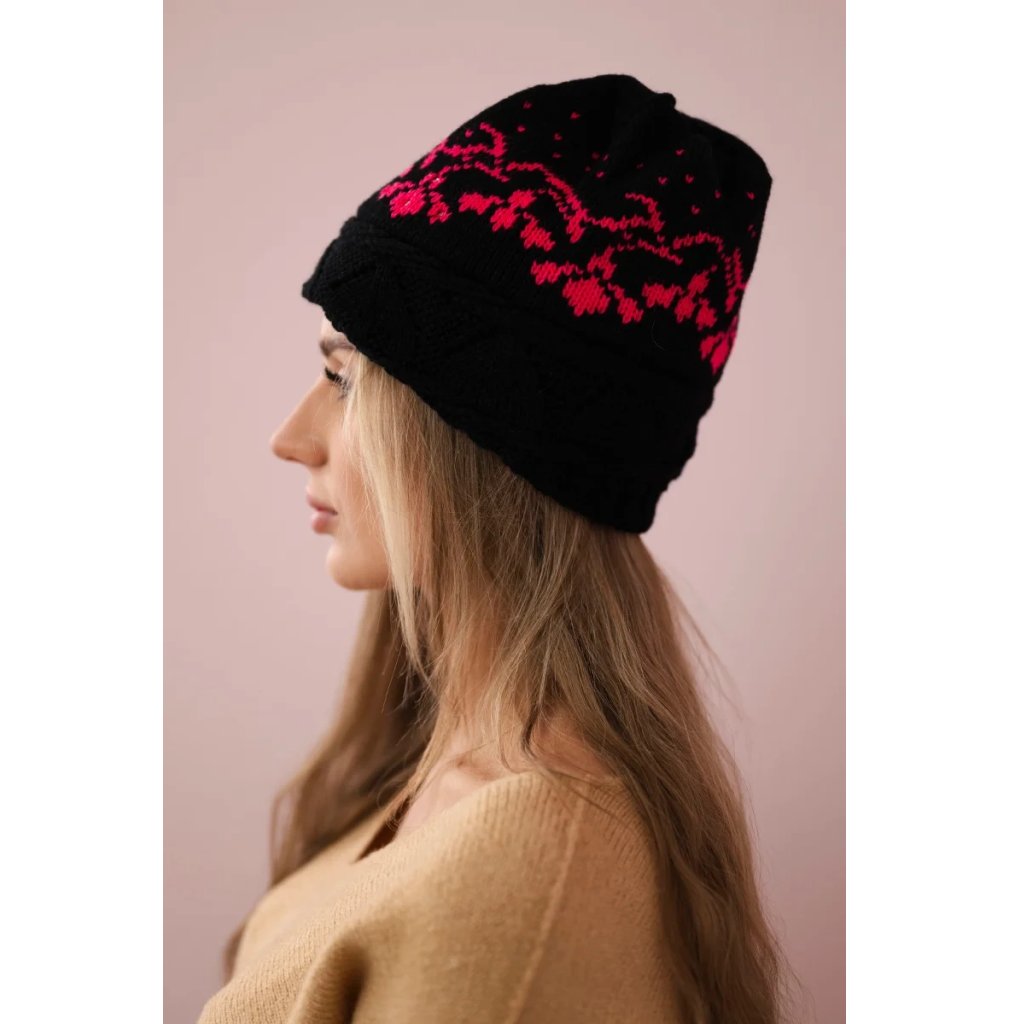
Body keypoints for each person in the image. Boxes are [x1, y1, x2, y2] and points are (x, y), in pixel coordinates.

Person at [196, 73, 798, 1024]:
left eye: (343, 379)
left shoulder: (522, 874)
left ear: (483, 435)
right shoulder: (448, 773)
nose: (290, 437)